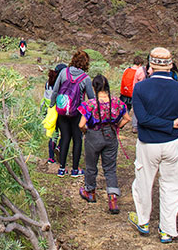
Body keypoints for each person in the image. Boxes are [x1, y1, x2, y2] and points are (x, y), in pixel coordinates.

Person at [128, 47, 178, 244]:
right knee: (172, 185)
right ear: (171, 65)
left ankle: (143, 221)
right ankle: (167, 229)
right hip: (172, 143)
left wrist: (162, 125)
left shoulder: (140, 88)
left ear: (151, 65)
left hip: (148, 143)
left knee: (143, 182)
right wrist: (176, 132)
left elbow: (143, 119)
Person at [78, 75, 131, 214]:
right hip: (111, 135)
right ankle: (113, 198)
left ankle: (90, 192)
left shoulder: (90, 104)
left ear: (94, 87)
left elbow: (81, 124)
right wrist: (117, 126)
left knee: (90, 166)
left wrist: (85, 131)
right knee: (110, 168)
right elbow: (127, 118)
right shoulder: (116, 102)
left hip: (93, 135)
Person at [49, 49, 94, 177]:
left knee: (65, 138)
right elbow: (91, 99)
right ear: (86, 64)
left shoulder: (64, 72)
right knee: (77, 140)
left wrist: (52, 106)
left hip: (62, 110)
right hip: (77, 112)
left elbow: (56, 91)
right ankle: (75, 169)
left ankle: (62, 169)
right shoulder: (85, 78)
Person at [41, 63, 67, 163]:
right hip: (59, 110)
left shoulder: (48, 82)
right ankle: (60, 147)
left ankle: (51, 157)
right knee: (64, 133)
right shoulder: (61, 83)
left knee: (53, 134)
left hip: (49, 111)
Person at [131, 56, 150, 133]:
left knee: (136, 109)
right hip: (147, 93)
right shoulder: (147, 71)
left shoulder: (139, 70)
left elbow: (135, 83)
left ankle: (135, 126)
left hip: (138, 92)